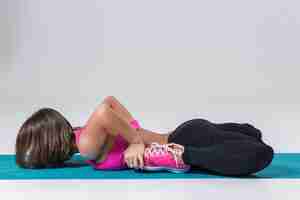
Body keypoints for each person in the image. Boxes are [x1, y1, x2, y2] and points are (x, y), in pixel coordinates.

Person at [15, 96, 274, 176]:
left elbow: (105, 109)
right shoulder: (83, 137)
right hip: (186, 131)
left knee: (259, 154)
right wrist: (134, 130)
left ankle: (181, 156)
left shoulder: (85, 144)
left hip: (187, 142)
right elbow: (110, 101)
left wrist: (136, 140)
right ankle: (244, 134)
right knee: (252, 136)